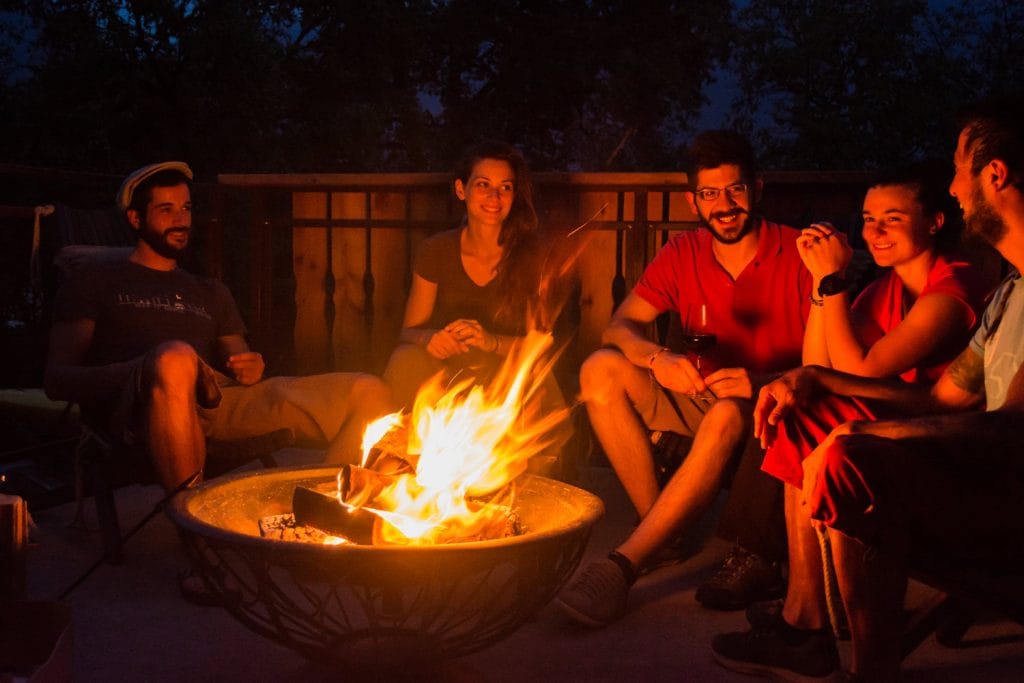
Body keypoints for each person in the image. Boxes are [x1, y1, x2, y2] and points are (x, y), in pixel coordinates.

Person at [712, 96, 1024, 681]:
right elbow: (935, 400)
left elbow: (1008, 426)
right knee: (803, 414)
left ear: (996, 174)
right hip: (965, 460)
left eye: (960, 170)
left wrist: (858, 429)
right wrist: (814, 370)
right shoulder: (1010, 294)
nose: (954, 188)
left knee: (845, 450)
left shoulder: (957, 288)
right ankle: (808, 624)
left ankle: (853, 655)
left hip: (994, 490)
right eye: (868, 219)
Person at [555, 130, 813, 627]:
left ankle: (626, 563)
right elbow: (619, 327)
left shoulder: (798, 252)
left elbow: (830, 364)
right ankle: (663, 532)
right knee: (599, 368)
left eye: (735, 190)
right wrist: (657, 359)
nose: (725, 206)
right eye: (710, 194)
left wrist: (761, 381)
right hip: (699, 393)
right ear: (693, 201)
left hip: (770, 404)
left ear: (756, 189)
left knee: (726, 413)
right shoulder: (683, 252)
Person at [44, 161, 393, 495]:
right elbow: (57, 380)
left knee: (368, 391)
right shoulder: (94, 281)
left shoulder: (210, 290)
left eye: (186, 208)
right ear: (136, 218)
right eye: (166, 210)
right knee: (176, 357)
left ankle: (323, 503)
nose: (181, 220)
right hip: (139, 409)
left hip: (217, 403)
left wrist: (251, 367)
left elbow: (241, 363)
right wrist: (151, 367)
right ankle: (191, 518)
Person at [382, 141, 570, 467]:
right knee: (404, 360)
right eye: (483, 184)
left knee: (535, 377)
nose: (494, 197)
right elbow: (408, 332)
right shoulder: (436, 251)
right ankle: (408, 467)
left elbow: (540, 346)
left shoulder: (532, 256)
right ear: (461, 189)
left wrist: (490, 341)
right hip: (447, 373)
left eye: (505, 187)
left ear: (514, 196)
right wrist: (430, 338)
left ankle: (529, 479)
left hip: (505, 374)